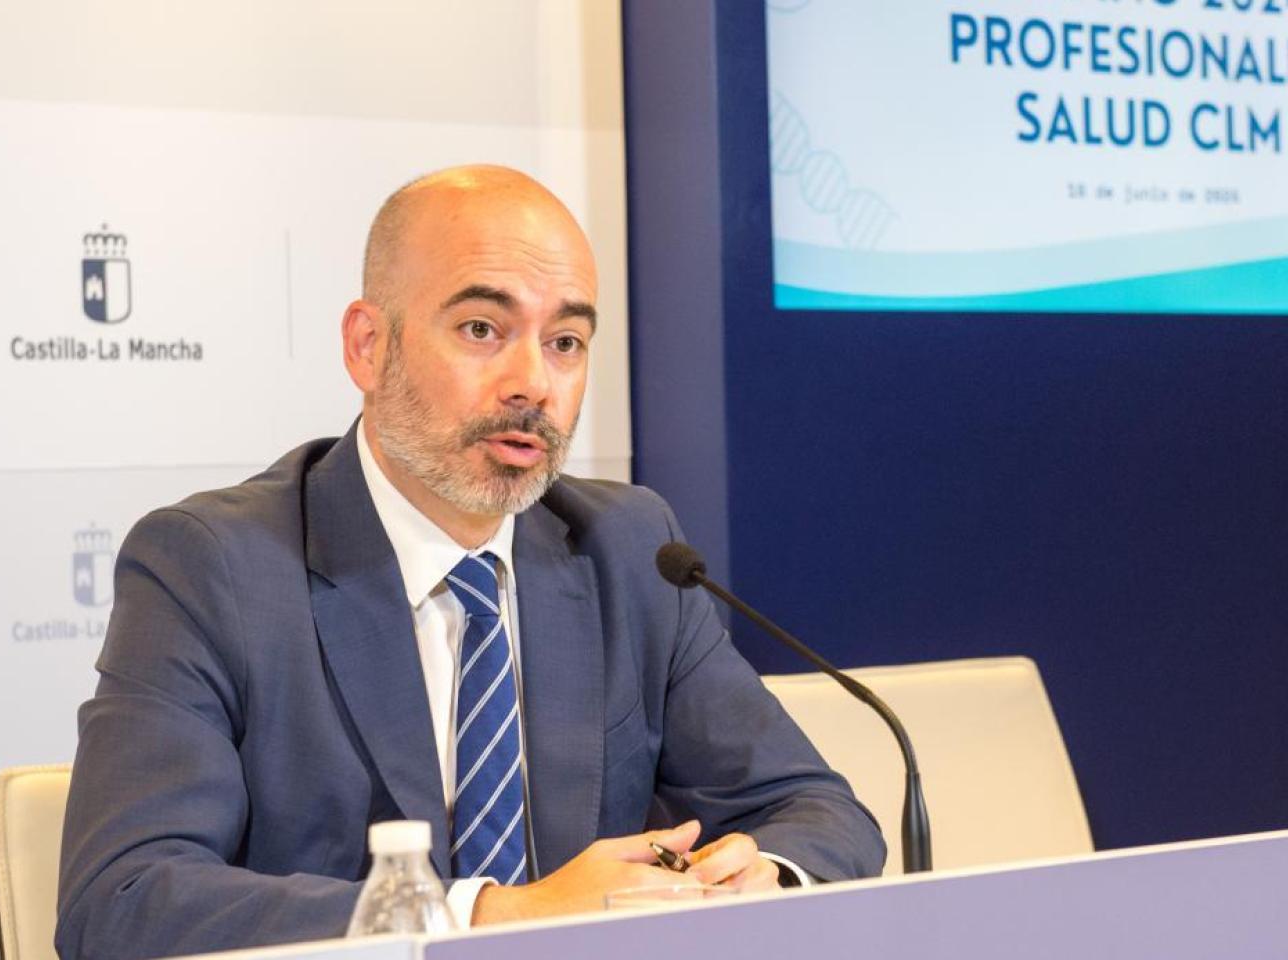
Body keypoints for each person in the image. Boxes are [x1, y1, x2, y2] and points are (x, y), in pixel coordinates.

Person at [55, 165, 884, 960]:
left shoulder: (631, 550)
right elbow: (121, 901)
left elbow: (817, 812)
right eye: (482, 329)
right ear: (368, 347)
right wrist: (490, 918)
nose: (533, 383)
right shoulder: (213, 567)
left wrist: (761, 880)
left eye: (566, 342)